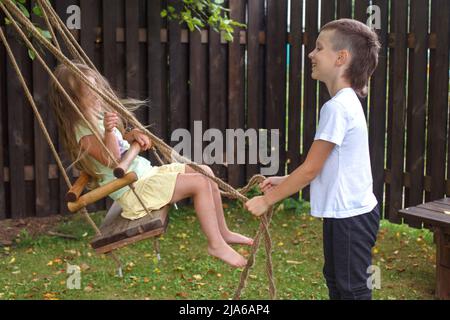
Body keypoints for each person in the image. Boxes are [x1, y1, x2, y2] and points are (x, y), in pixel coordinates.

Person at [49, 62, 253, 268]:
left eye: (95, 87)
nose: (96, 94)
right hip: (133, 190)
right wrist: (110, 131)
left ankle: (223, 232)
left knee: (205, 171)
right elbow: (111, 158)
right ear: (72, 99)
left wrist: (131, 135)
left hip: (145, 174)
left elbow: (118, 145)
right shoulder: (82, 131)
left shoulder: (97, 117)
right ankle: (215, 244)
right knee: (200, 183)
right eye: (88, 91)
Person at [245, 19, 381, 299]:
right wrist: (284, 180)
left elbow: (310, 169)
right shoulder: (347, 101)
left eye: (319, 48)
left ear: (341, 58)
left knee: (351, 290)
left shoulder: (337, 107)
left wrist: (267, 200)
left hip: (350, 218)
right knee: (337, 282)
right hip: (347, 215)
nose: (311, 54)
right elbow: (328, 165)